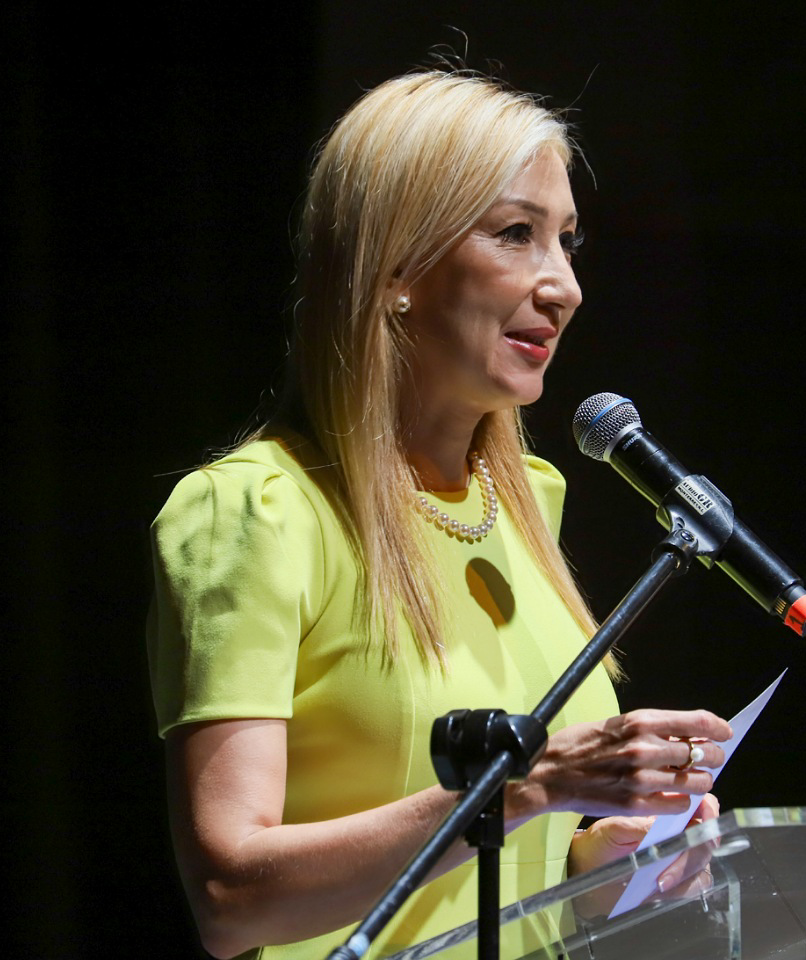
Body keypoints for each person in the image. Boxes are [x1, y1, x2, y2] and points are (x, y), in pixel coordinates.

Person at [146, 69, 732, 960]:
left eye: (568, 241)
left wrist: (602, 866)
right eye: (516, 234)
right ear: (396, 270)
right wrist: (528, 788)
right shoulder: (259, 514)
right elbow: (232, 899)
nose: (564, 285)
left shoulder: (529, 501)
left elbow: (500, 886)